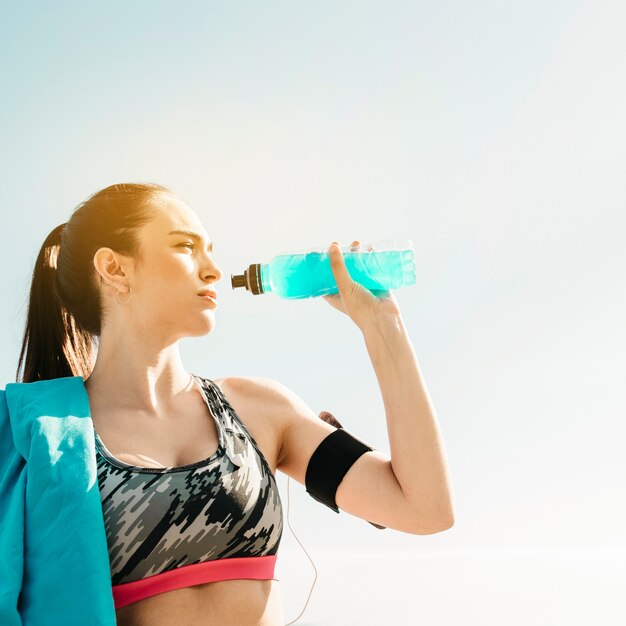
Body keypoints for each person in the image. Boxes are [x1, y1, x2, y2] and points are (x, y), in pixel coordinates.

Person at [0, 182, 455, 626]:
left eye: (211, 249)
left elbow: (422, 507)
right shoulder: (35, 435)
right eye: (186, 246)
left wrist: (383, 325)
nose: (213, 269)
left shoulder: (258, 410)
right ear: (115, 269)